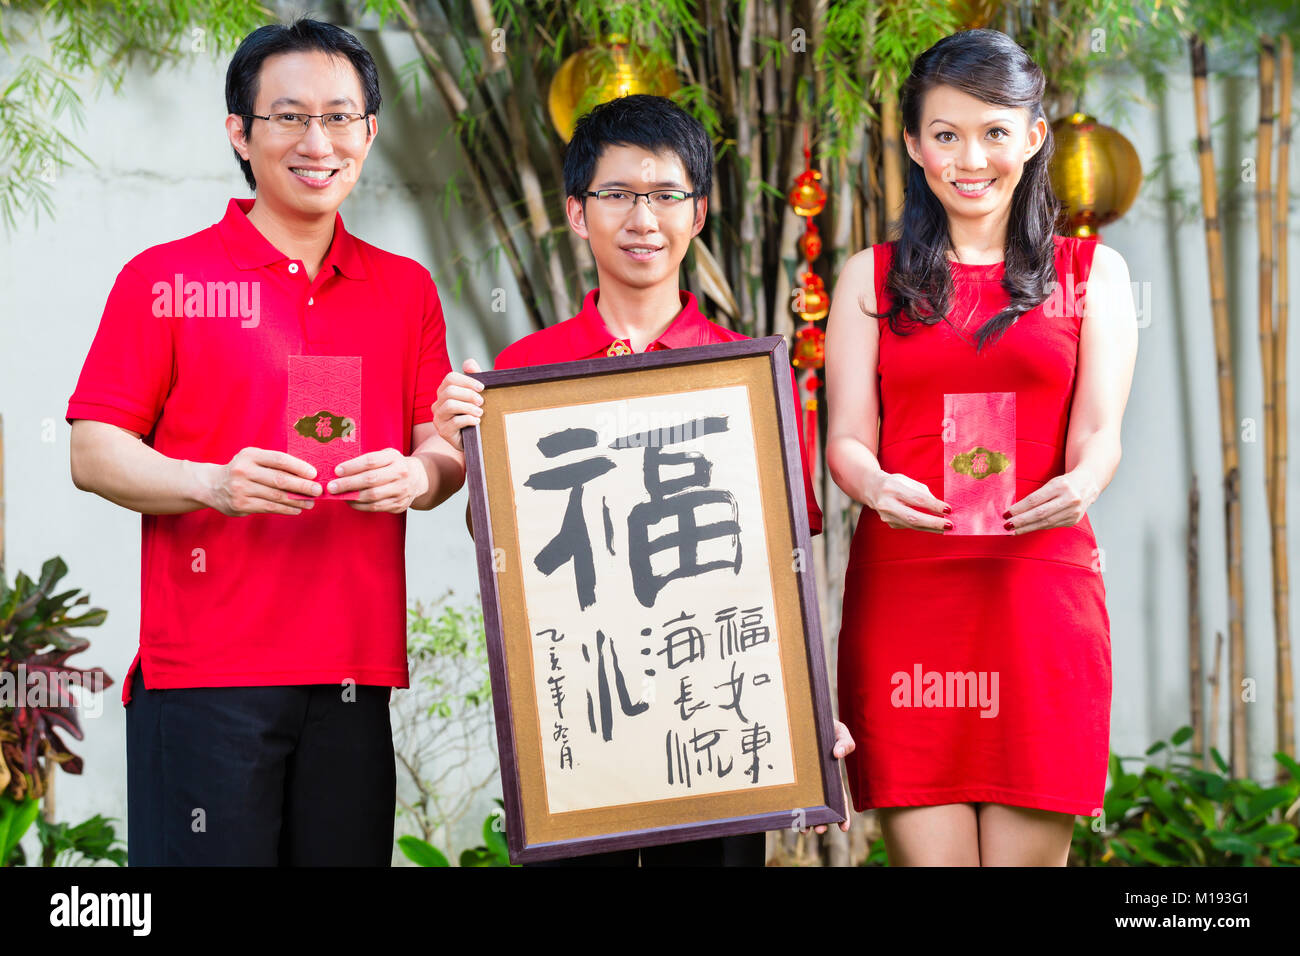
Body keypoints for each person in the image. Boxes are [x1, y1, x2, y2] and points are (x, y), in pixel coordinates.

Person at [65, 17, 466, 865]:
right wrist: (212, 484)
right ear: (239, 134)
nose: (317, 140)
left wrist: (417, 474)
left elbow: (444, 451)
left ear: (370, 133)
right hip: (208, 679)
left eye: (340, 116)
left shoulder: (404, 290)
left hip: (354, 677)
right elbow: (93, 449)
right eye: (287, 116)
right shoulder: (165, 279)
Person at [433, 94, 854, 865]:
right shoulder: (525, 375)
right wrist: (459, 438)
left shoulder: (746, 374)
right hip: (584, 737)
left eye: (666, 196)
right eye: (618, 195)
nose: (642, 220)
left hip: (718, 721)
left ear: (698, 215)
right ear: (574, 212)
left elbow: (783, 564)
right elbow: (507, 559)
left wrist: (805, 707)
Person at [825, 29, 1138, 866]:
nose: (972, 157)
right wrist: (876, 486)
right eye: (947, 133)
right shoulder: (870, 277)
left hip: (1038, 591)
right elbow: (847, 438)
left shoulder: (1091, 273)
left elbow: (1100, 433)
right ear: (913, 144)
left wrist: (1082, 483)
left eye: (996, 132)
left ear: (1034, 137)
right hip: (908, 592)